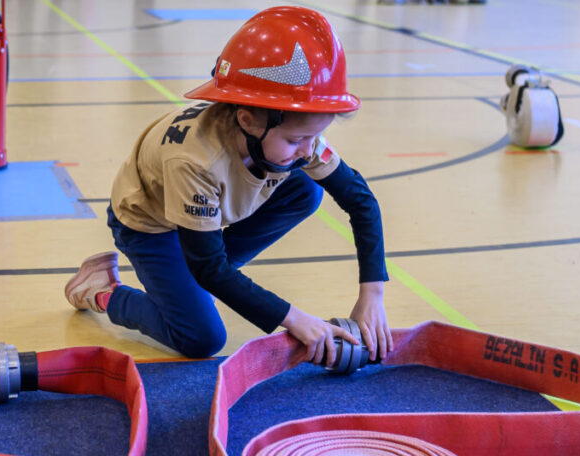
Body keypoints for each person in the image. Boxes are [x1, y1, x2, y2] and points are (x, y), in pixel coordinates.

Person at [64, 5, 393, 366]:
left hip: (199, 218)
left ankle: (193, 287)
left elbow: (360, 200)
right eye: (297, 140)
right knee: (201, 337)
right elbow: (209, 267)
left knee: (306, 189)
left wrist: (372, 295)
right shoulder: (196, 162)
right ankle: (102, 291)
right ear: (247, 120)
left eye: (315, 136)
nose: (308, 149)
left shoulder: (292, 132)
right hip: (148, 224)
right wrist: (297, 319)